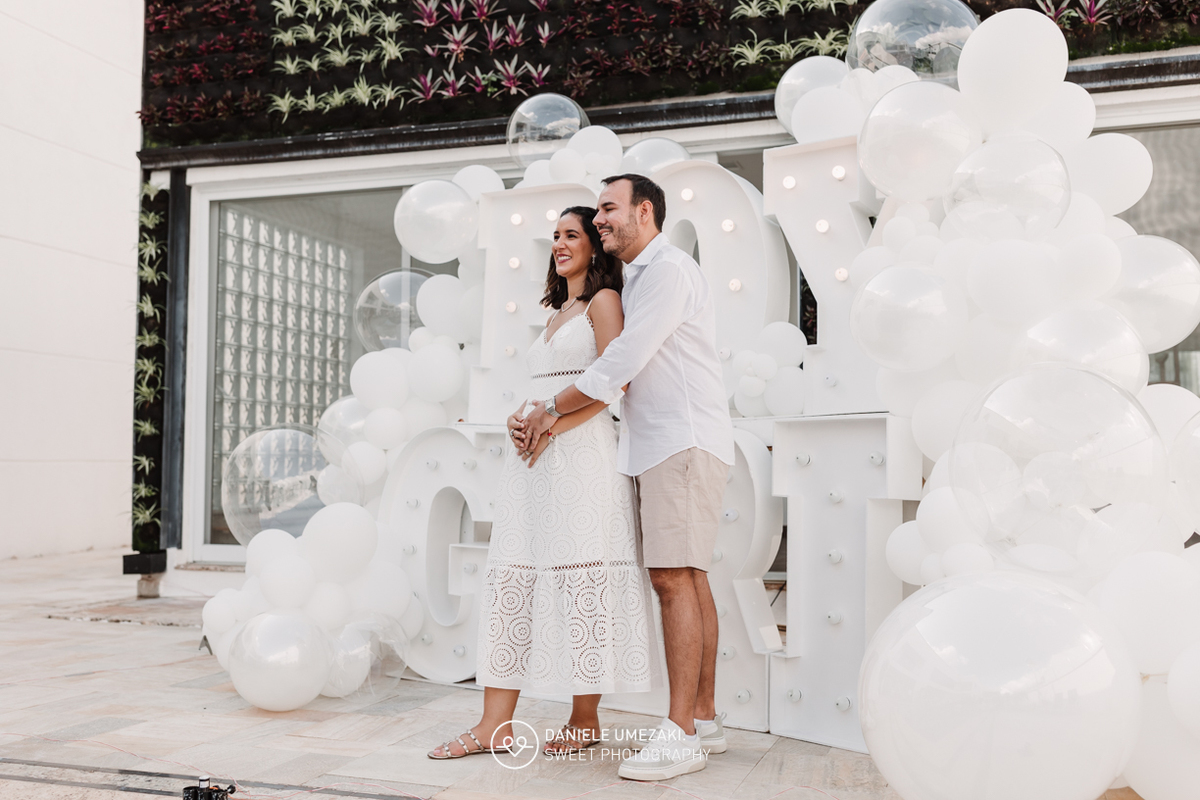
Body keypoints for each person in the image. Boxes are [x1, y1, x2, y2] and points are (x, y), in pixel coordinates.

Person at [520, 175, 735, 781]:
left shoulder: (667, 270)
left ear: (645, 211)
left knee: (673, 579)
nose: (601, 219)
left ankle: (680, 734)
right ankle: (703, 718)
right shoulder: (638, 275)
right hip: (662, 444)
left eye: (609, 209)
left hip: (681, 440)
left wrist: (549, 408)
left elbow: (623, 360)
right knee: (687, 576)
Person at [428, 206, 660, 761]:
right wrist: (521, 417)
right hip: (533, 459)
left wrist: (551, 423)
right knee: (513, 576)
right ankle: (494, 725)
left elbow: (613, 384)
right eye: (554, 236)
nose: (559, 244)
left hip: (582, 457)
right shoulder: (558, 311)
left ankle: (584, 720)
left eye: (571, 235)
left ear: (594, 247)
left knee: (584, 577)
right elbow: (547, 384)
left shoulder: (604, 303)